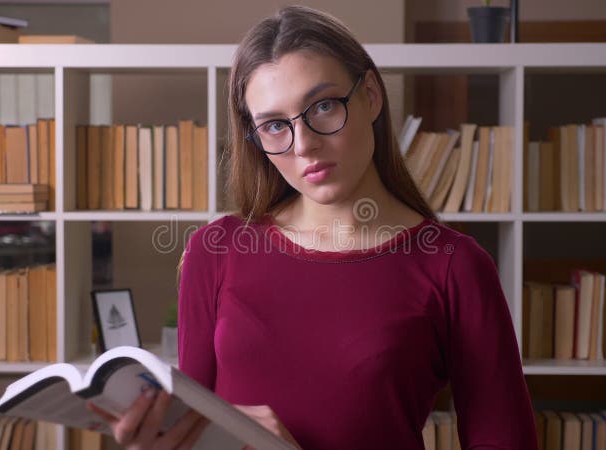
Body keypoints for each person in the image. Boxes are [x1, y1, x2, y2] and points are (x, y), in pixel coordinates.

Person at [89, 5, 539, 450]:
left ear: (371, 96)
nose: (304, 144)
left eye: (323, 106)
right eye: (274, 125)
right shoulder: (216, 250)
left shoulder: (453, 266)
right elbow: (196, 434)